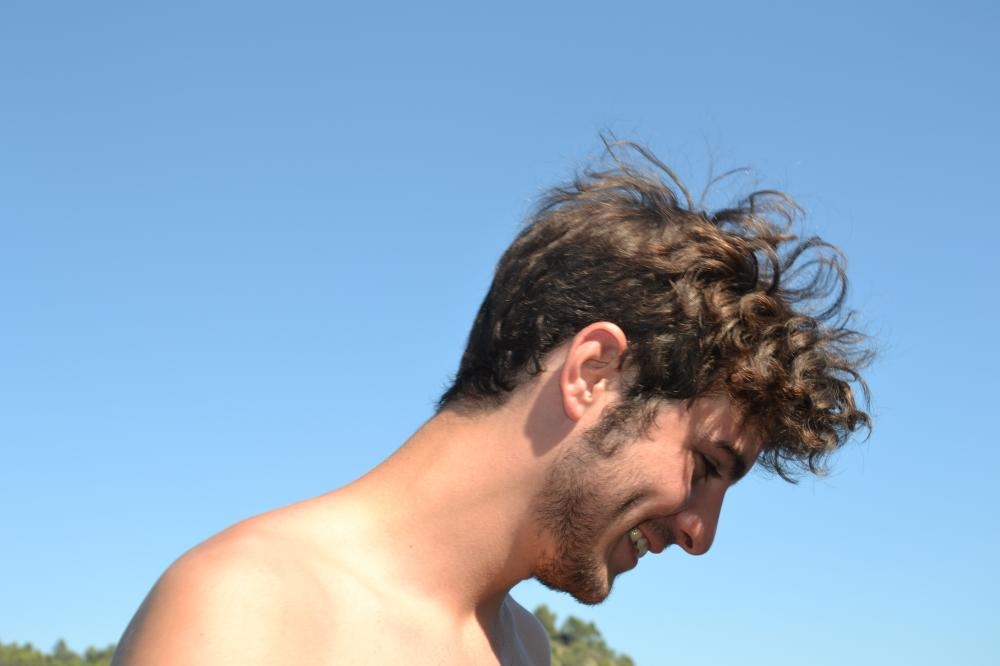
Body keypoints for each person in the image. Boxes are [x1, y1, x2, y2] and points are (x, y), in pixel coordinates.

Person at [111, 141, 871, 665]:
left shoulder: (524, 648)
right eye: (705, 464)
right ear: (593, 373)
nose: (701, 533)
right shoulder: (250, 612)